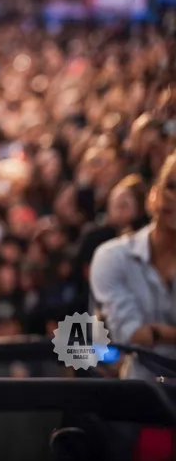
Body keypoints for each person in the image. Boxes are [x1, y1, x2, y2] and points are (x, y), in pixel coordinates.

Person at [90, 149, 176, 381]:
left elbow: (144, 335)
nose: (175, 197)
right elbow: (130, 334)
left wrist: (157, 333)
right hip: (142, 394)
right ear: (153, 196)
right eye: (171, 186)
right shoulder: (112, 257)